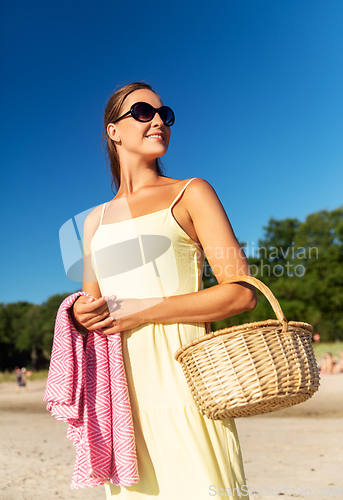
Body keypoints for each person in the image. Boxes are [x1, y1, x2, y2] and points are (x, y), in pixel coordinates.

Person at [71, 82, 257, 500]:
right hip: (120, 398)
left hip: (186, 386)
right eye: (142, 111)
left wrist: (142, 310)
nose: (158, 120)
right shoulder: (93, 223)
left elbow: (243, 292)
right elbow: (92, 309)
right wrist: (82, 315)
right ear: (113, 131)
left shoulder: (191, 192)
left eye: (164, 114)